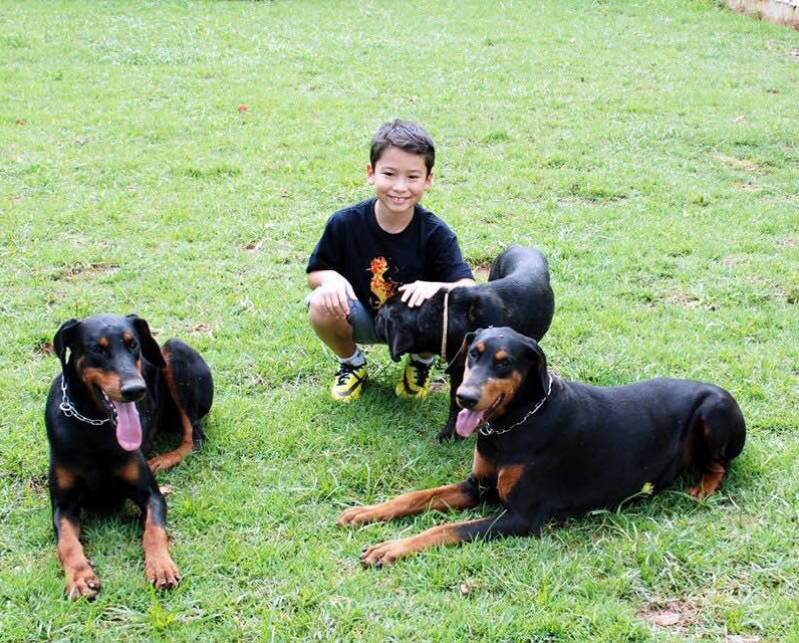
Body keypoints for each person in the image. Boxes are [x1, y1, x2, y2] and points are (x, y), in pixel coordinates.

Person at [306, 119, 474, 402]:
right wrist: (330, 279)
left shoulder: (436, 234)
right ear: (371, 173)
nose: (399, 187)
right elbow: (315, 273)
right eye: (389, 174)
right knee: (320, 302)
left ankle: (421, 363)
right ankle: (352, 364)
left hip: (416, 323)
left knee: (451, 306)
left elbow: (469, 287)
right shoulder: (345, 223)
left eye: (412, 177)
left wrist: (438, 289)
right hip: (364, 317)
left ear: (428, 179)